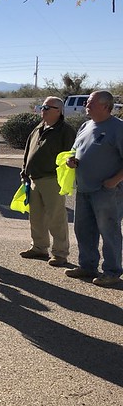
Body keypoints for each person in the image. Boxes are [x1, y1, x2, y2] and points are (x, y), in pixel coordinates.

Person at [65, 90, 123, 287]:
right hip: (84, 189)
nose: (85, 106)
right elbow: (75, 150)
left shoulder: (118, 128)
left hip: (107, 191)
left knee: (109, 231)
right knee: (84, 230)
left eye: (90, 103)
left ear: (106, 106)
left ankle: (112, 271)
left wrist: (114, 181)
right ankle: (87, 266)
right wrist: (70, 160)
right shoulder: (85, 125)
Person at [20, 96, 76, 266]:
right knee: (36, 217)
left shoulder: (65, 131)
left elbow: (71, 155)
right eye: (41, 107)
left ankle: (60, 253)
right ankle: (39, 247)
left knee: (56, 218)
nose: (42, 110)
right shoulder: (38, 128)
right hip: (34, 179)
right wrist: (24, 170)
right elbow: (28, 149)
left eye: (46, 107)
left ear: (58, 111)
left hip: (53, 180)